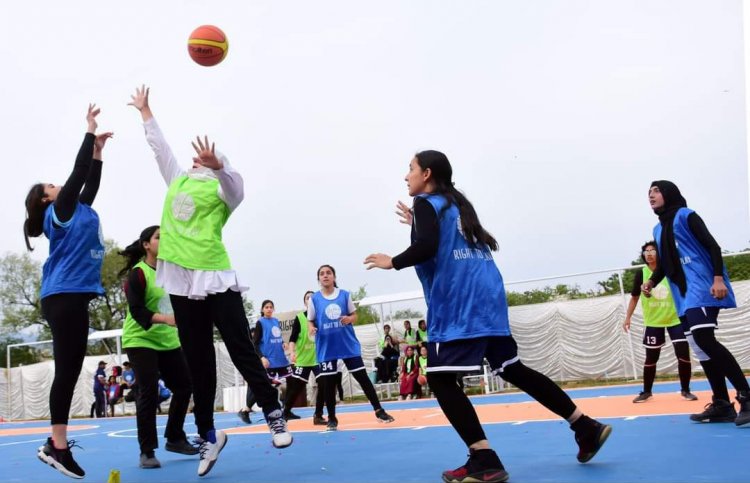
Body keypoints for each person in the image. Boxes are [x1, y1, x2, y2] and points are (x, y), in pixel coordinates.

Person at [364, 150, 612, 483]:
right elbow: (440, 241)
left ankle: (483, 457)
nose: (405, 175)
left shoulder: (428, 204)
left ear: (426, 174)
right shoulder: (455, 205)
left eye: (409, 169)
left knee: (439, 378)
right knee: (513, 368)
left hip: (460, 301)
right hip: (488, 295)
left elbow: (425, 248)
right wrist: (417, 225)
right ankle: (585, 426)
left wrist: (391, 261)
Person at [128, 85, 292, 477]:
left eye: (205, 162)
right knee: (198, 361)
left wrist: (219, 165)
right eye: (198, 161)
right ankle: (207, 434)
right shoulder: (178, 181)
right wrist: (147, 113)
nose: (196, 162)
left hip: (214, 276)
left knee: (239, 345)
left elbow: (238, 187)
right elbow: (160, 150)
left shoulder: (221, 191)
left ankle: (272, 412)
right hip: (182, 283)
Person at [24, 104, 112, 479]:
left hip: (71, 297)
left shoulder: (78, 209)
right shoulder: (57, 211)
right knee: (66, 371)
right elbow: (77, 176)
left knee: (71, 369)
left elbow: (88, 183)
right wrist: (89, 132)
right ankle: (56, 446)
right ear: (47, 199)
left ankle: (56, 444)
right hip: (63, 296)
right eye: (51, 187)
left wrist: (97, 155)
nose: (58, 186)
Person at [642, 181, 749, 426]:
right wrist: (652, 282)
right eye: (648, 193)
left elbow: (713, 246)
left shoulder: (686, 216)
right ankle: (722, 404)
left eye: (656, 191)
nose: (650, 196)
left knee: (704, 339)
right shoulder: (658, 230)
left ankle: (746, 395)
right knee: (699, 347)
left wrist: (718, 278)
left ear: (669, 194)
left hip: (703, 285)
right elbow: (667, 264)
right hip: (682, 293)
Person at [119, 225, 199, 468]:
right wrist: (167, 319)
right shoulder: (138, 274)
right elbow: (137, 310)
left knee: (184, 387)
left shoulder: (172, 271)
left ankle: (174, 437)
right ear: (146, 244)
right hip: (140, 339)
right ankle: (147, 451)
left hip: (168, 340)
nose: (163, 240)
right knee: (149, 391)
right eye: (158, 237)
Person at [307, 264, 395, 431]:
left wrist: (349, 319)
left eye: (328, 273)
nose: (325, 275)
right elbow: (310, 319)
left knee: (362, 378)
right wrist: (311, 327)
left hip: (347, 344)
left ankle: (379, 410)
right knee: (329, 383)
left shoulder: (344, 295)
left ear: (334, 276)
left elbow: (354, 315)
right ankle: (332, 418)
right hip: (326, 347)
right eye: (322, 274)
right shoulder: (314, 299)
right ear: (318, 278)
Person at [623, 241, 697, 403]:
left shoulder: (669, 270)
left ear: (659, 253)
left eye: (653, 250)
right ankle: (646, 391)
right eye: (646, 251)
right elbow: (635, 297)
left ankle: (685, 390)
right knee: (651, 358)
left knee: (683, 355)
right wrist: (627, 317)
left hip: (675, 318)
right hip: (653, 321)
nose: (649, 253)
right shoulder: (641, 273)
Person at [282, 290, 327, 425]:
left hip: (319, 358)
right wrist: (292, 352)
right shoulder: (300, 317)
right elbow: (293, 337)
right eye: (308, 298)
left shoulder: (321, 317)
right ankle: (286, 412)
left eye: (313, 297)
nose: (310, 299)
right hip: (303, 359)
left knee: (324, 384)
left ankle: (318, 415)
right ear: (305, 302)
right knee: (296, 387)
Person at [249, 300, 293, 412]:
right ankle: (247, 408)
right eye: (266, 307)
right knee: (265, 386)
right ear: (262, 309)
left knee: (292, 381)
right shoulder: (260, 323)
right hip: (270, 361)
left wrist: (283, 343)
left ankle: (286, 409)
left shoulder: (276, 321)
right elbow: (255, 343)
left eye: (271, 307)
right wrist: (262, 357)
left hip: (281, 359)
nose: (269, 309)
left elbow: (278, 337)